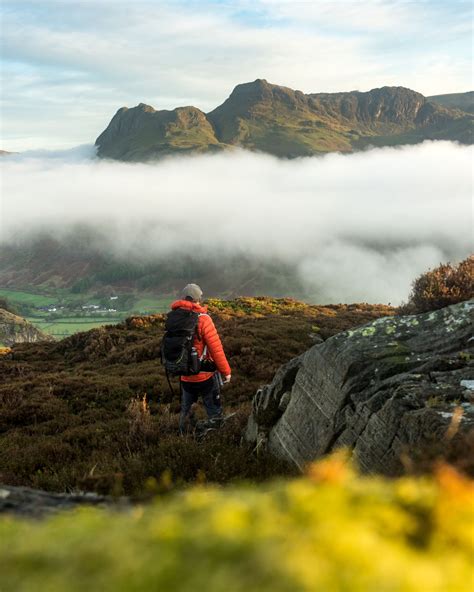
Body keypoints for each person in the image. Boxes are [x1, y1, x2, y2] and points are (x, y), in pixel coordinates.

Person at [171, 283, 231, 434]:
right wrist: (226, 372)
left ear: (183, 298)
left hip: (184, 375)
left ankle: (183, 438)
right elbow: (216, 349)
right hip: (205, 376)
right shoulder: (204, 319)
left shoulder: (174, 318)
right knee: (214, 410)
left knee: (185, 412)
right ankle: (216, 437)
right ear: (198, 299)